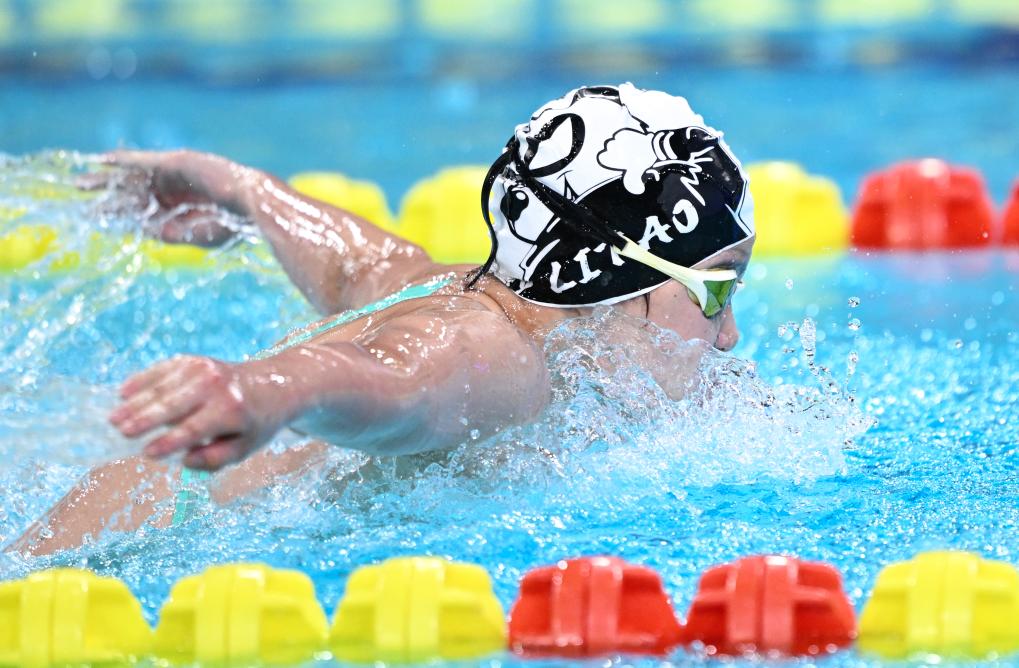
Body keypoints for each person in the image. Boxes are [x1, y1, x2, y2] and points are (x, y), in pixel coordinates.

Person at [11, 83, 754, 556]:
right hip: (112, 556)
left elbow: (359, 265)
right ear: (610, 278)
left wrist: (245, 191)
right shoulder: (495, 357)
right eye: (715, 290)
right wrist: (264, 391)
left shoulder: (460, 291)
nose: (728, 335)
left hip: (106, 514)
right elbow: (393, 381)